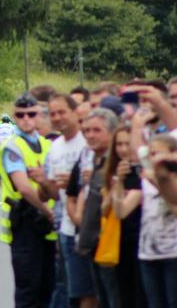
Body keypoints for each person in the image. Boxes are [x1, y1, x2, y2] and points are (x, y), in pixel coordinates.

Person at [113, 135, 177, 308]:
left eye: (155, 154)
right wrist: (119, 182)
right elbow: (121, 211)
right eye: (149, 155)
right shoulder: (144, 181)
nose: (151, 159)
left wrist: (158, 184)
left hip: (175, 254)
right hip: (147, 254)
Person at [0, 93, 55, 308]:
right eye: (21, 115)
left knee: (48, 288)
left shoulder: (46, 144)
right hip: (25, 222)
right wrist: (48, 211)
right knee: (28, 289)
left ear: (38, 115)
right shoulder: (12, 147)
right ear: (14, 116)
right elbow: (24, 188)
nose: (26, 119)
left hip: (49, 225)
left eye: (31, 114)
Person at [45, 94, 94, 308]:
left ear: (74, 113)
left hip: (87, 227)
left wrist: (74, 183)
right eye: (52, 113)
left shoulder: (87, 141)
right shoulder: (55, 146)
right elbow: (53, 194)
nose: (56, 117)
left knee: (88, 294)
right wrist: (45, 182)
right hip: (65, 227)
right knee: (70, 291)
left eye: (62, 112)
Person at [67, 108, 119, 308]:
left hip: (112, 244)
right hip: (90, 243)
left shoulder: (117, 162)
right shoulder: (86, 157)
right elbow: (72, 193)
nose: (90, 135)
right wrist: (79, 220)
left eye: (97, 130)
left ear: (112, 132)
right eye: (86, 130)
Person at [105, 125, 145, 308]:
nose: (123, 149)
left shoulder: (145, 172)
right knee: (124, 295)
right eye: (119, 144)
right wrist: (117, 183)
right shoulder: (114, 172)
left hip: (141, 239)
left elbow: (124, 209)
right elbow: (109, 209)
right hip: (121, 241)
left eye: (127, 144)